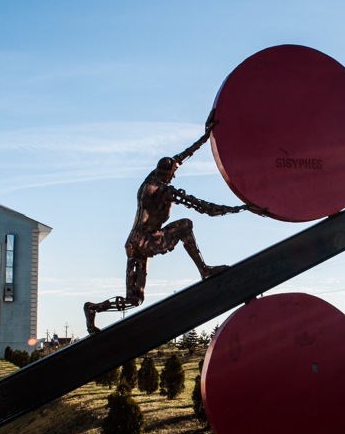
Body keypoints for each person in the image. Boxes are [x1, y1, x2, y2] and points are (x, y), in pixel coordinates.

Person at [84, 115, 257, 334]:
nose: (176, 173)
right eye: (173, 172)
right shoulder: (164, 191)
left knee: (135, 299)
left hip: (132, 243)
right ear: (168, 175)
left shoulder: (150, 180)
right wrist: (242, 208)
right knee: (185, 225)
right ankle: (203, 269)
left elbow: (180, 158)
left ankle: (94, 308)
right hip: (147, 242)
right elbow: (203, 207)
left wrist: (205, 137)